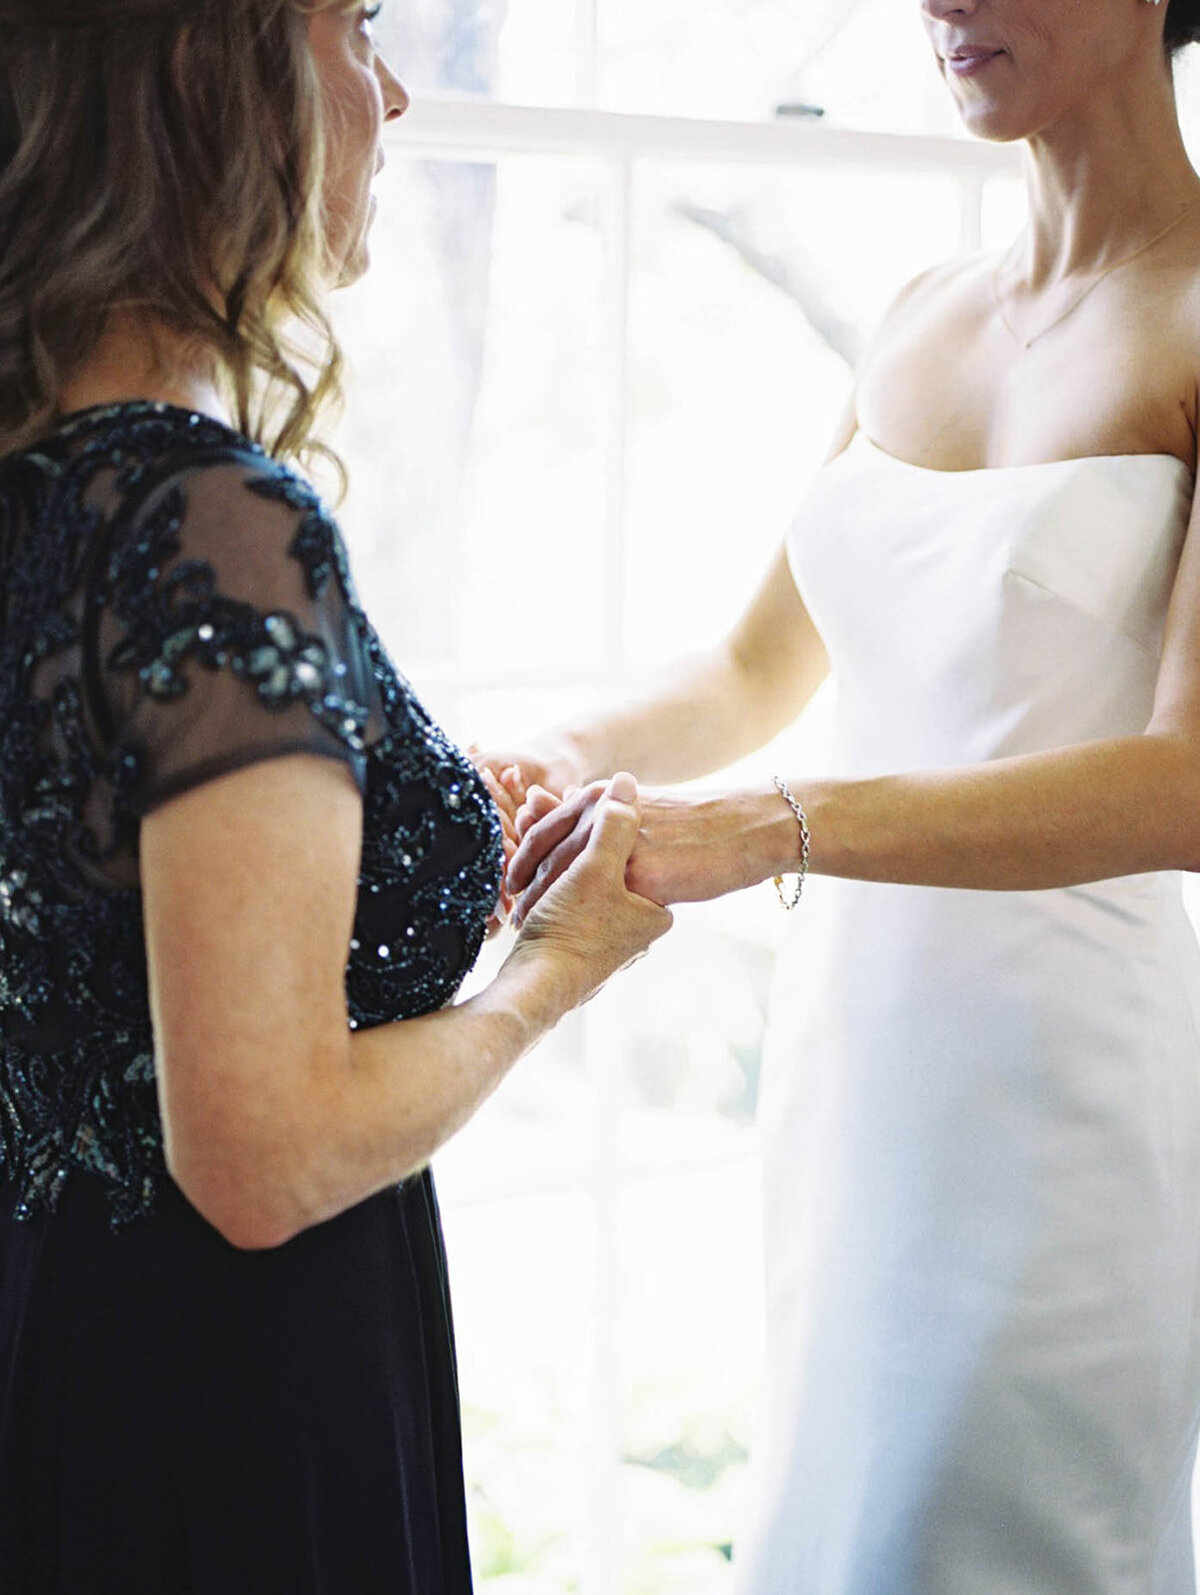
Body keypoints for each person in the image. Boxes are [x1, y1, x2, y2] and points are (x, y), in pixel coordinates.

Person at [481, 0, 1200, 1589]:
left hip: (1068, 1092)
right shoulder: (924, 312)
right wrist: (542, 754)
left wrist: (772, 825)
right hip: (857, 1072)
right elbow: (751, 670)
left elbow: (1188, 781)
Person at [0, 3, 671, 1592]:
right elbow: (267, 1157)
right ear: (203, 70)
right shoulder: (206, 515)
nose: (393, 90)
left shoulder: (38, 490)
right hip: (226, 1401)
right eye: (356, 26)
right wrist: (552, 977)